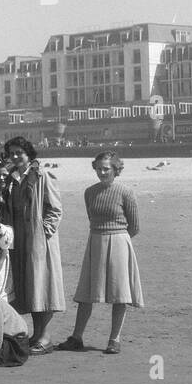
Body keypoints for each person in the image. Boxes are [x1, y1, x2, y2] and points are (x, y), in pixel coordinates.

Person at [57, 151, 142, 355]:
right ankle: (77, 337)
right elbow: (92, 217)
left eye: (106, 169)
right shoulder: (89, 192)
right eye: (99, 169)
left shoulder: (126, 192)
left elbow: (135, 227)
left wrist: (117, 239)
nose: (102, 172)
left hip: (119, 243)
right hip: (95, 241)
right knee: (86, 293)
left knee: (120, 294)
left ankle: (114, 340)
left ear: (116, 169)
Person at [2, 135, 64, 352]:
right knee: (29, 286)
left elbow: (55, 208)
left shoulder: (42, 175)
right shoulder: (12, 179)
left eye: (19, 152)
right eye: (12, 153)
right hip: (19, 237)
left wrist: (44, 232)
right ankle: (36, 335)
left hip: (38, 239)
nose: (15, 156)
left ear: (28, 154)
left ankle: (44, 337)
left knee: (41, 285)